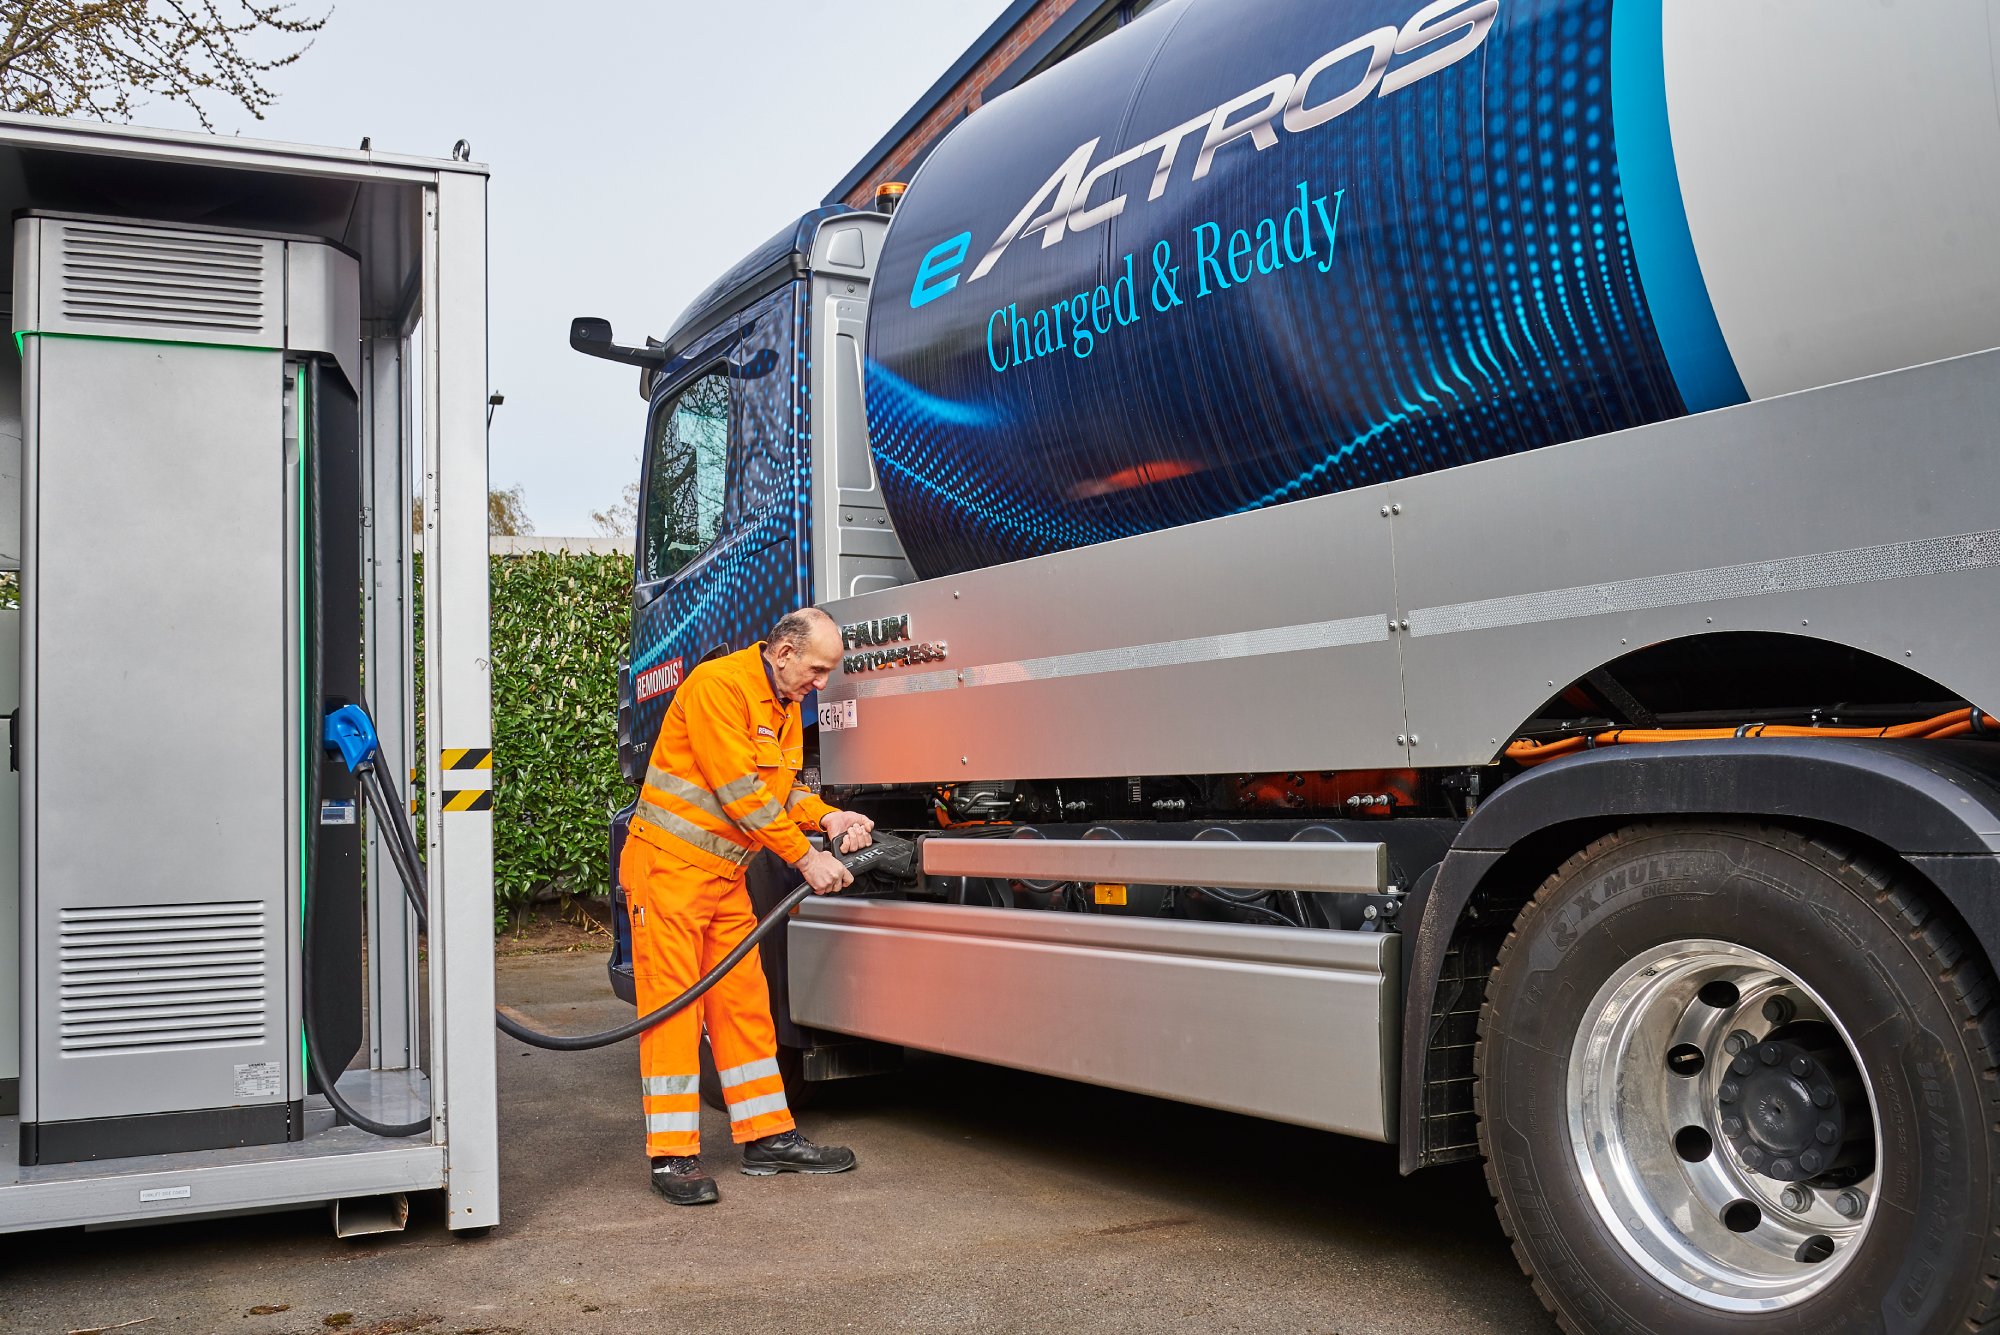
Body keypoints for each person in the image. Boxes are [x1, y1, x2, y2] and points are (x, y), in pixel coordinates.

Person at [619, 607, 876, 1205]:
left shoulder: (783, 707)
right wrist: (805, 857)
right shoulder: (718, 687)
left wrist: (828, 815)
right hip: (670, 873)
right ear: (783, 652)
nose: (821, 684)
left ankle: (767, 1138)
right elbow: (739, 794)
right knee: (674, 1014)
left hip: (722, 878)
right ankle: (672, 1157)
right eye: (817, 670)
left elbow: (779, 791)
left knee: (744, 1006)